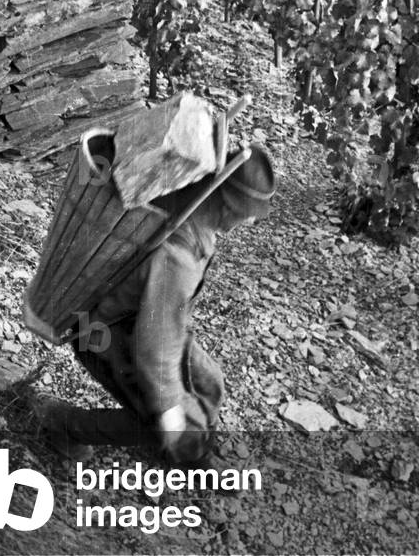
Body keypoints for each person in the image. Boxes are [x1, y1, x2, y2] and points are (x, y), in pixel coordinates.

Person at [35, 143, 275, 465]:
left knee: (209, 382)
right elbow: (155, 345)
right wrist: (169, 410)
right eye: (246, 213)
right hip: (100, 333)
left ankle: (192, 445)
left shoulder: (193, 204)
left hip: (137, 320)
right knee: (159, 421)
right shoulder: (178, 258)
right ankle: (63, 424)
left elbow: (163, 323)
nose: (248, 222)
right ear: (227, 204)